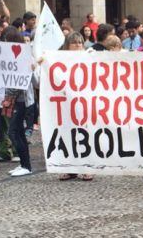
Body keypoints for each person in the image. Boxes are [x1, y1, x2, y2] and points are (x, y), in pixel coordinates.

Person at [57, 32, 94, 180]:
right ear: (68, 45)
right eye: (74, 43)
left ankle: (88, 167)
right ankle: (71, 168)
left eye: (80, 42)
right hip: (67, 103)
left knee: (86, 134)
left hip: (85, 102)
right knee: (68, 134)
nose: (78, 45)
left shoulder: (89, 56)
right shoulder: (59, 59)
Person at [2, 28, 34, 177]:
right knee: (18, 132)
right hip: (16, 100)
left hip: (21, 100)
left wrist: (9, 95)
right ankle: (24, 164)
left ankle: (26, 165)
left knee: (14, 132)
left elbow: (22, 81)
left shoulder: (24, 56)